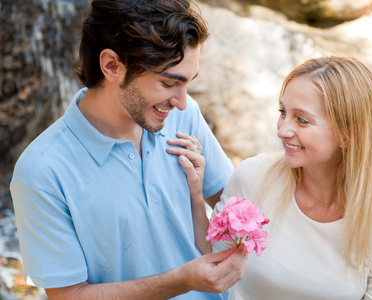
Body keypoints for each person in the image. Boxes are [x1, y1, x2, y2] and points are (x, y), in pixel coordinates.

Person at [10, 0, 248, 299]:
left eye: (188, 83)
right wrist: (181, 280)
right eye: (167, 83)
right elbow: (69, 296)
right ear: (112, 66)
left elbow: (237, 206)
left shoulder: (184, 116)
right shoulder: (41, 171)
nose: (182, 101)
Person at [195, 56, 372, 299]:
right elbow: (212, 271)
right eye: (283, 112)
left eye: (302, 120)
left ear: (348, 134)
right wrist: (194, 194)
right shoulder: (252, 177)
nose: (282, 130)